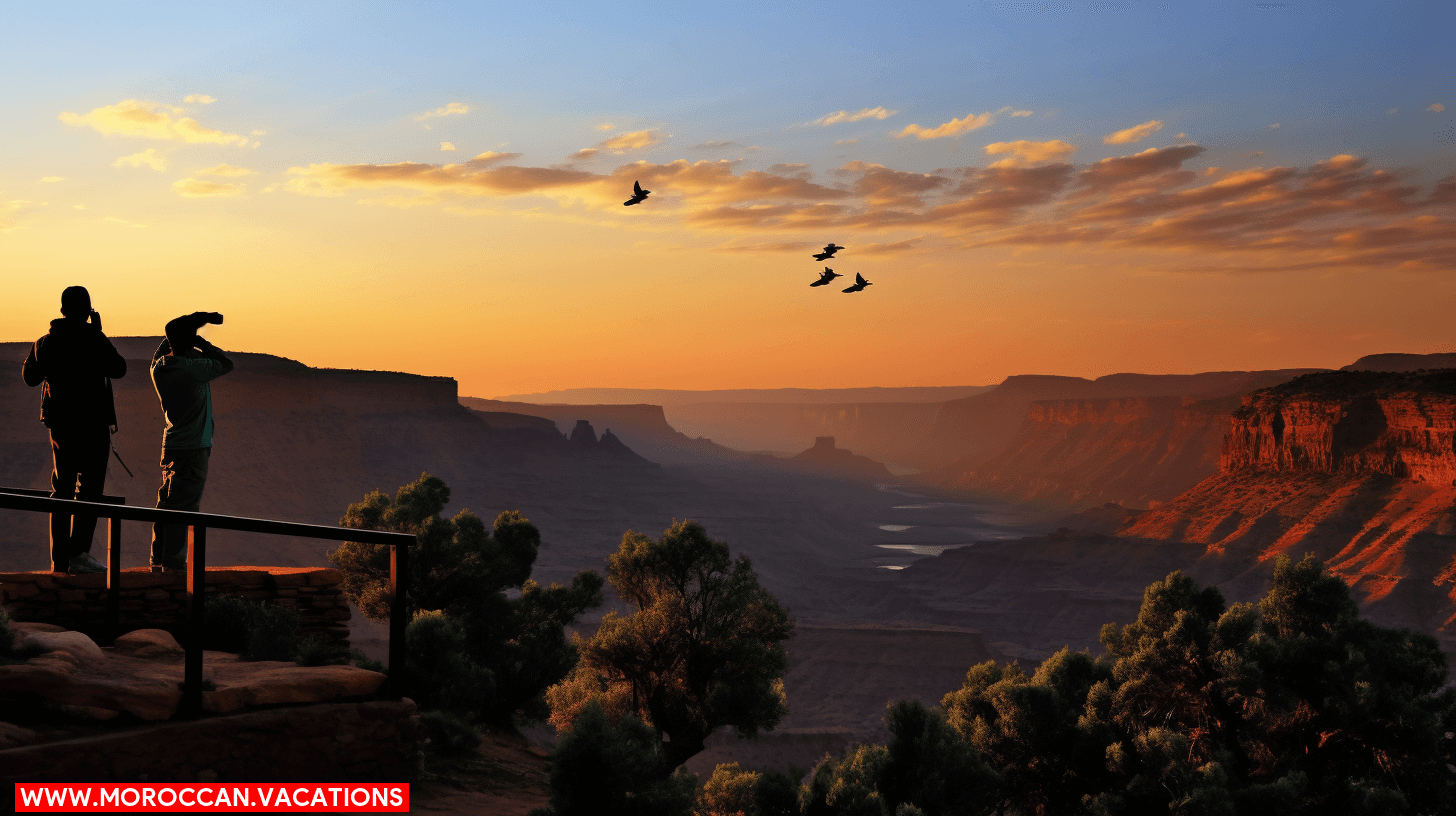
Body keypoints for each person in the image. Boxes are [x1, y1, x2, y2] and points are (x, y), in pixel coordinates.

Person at [21, 286, 127, 574]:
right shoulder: (94, 338)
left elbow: (30, 377)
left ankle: (60, 559)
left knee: (62, 488)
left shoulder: (45, 342)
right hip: (92, 425)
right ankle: (78, 553)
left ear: (62, 310)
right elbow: (118, 368)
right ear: (88, 310)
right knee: (90, 490)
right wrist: (99, 332)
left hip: (61, 425)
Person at [150, 311, 232, 571]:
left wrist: (184, 332)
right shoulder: (194, 368)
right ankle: (173, 563)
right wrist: (202, 343)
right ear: (191, 341)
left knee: (166, 503)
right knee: (184, 507)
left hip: (172, 444)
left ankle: (157, 558)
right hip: (195, 447)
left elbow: (163, 349)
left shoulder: (159, 368)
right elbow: (226, 363)